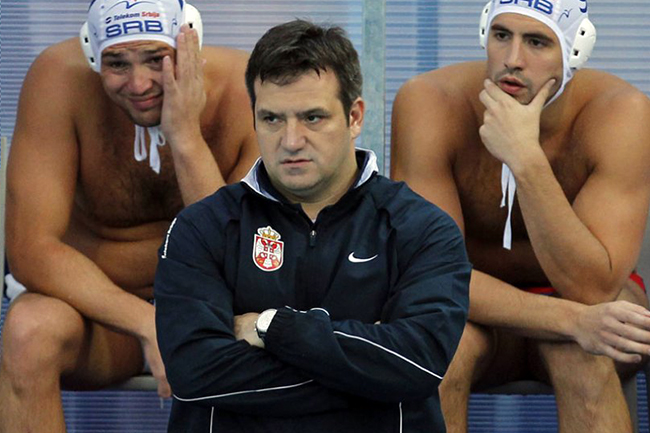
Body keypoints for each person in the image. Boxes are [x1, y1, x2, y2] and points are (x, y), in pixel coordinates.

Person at [154, 19, 471, 433]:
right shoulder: (202, 228)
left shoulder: (421, 229)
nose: (291, 140)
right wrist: (367, 372)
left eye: (313, 117)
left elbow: (418, 363)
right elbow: (194, 372)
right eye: (272, 119)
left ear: (355, 116)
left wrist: (270, 327)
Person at [391, 0, 650, 431]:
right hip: (471, 311)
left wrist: (525, 159)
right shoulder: (430, 102)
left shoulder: (620, 112)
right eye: (501, 36)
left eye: (536, 42)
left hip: (585, 303)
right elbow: (432, 275)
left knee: (586, 358)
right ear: (484, 35)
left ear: (575, 50)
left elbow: (593, 289)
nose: (513, 59)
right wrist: (570, 322)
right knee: (437, 353)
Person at [0, 1, 259, 431]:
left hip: (214, 315)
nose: (139, 84)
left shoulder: (243, 88)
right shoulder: (59, 80)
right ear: (91, 54)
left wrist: (185, 136)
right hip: (101, 320)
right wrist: (146, 323)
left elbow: (237, 255)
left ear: (189, 44)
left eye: (157, 60)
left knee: (284, 331)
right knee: (29, 331)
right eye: (117, 63)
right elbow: (30, 249)